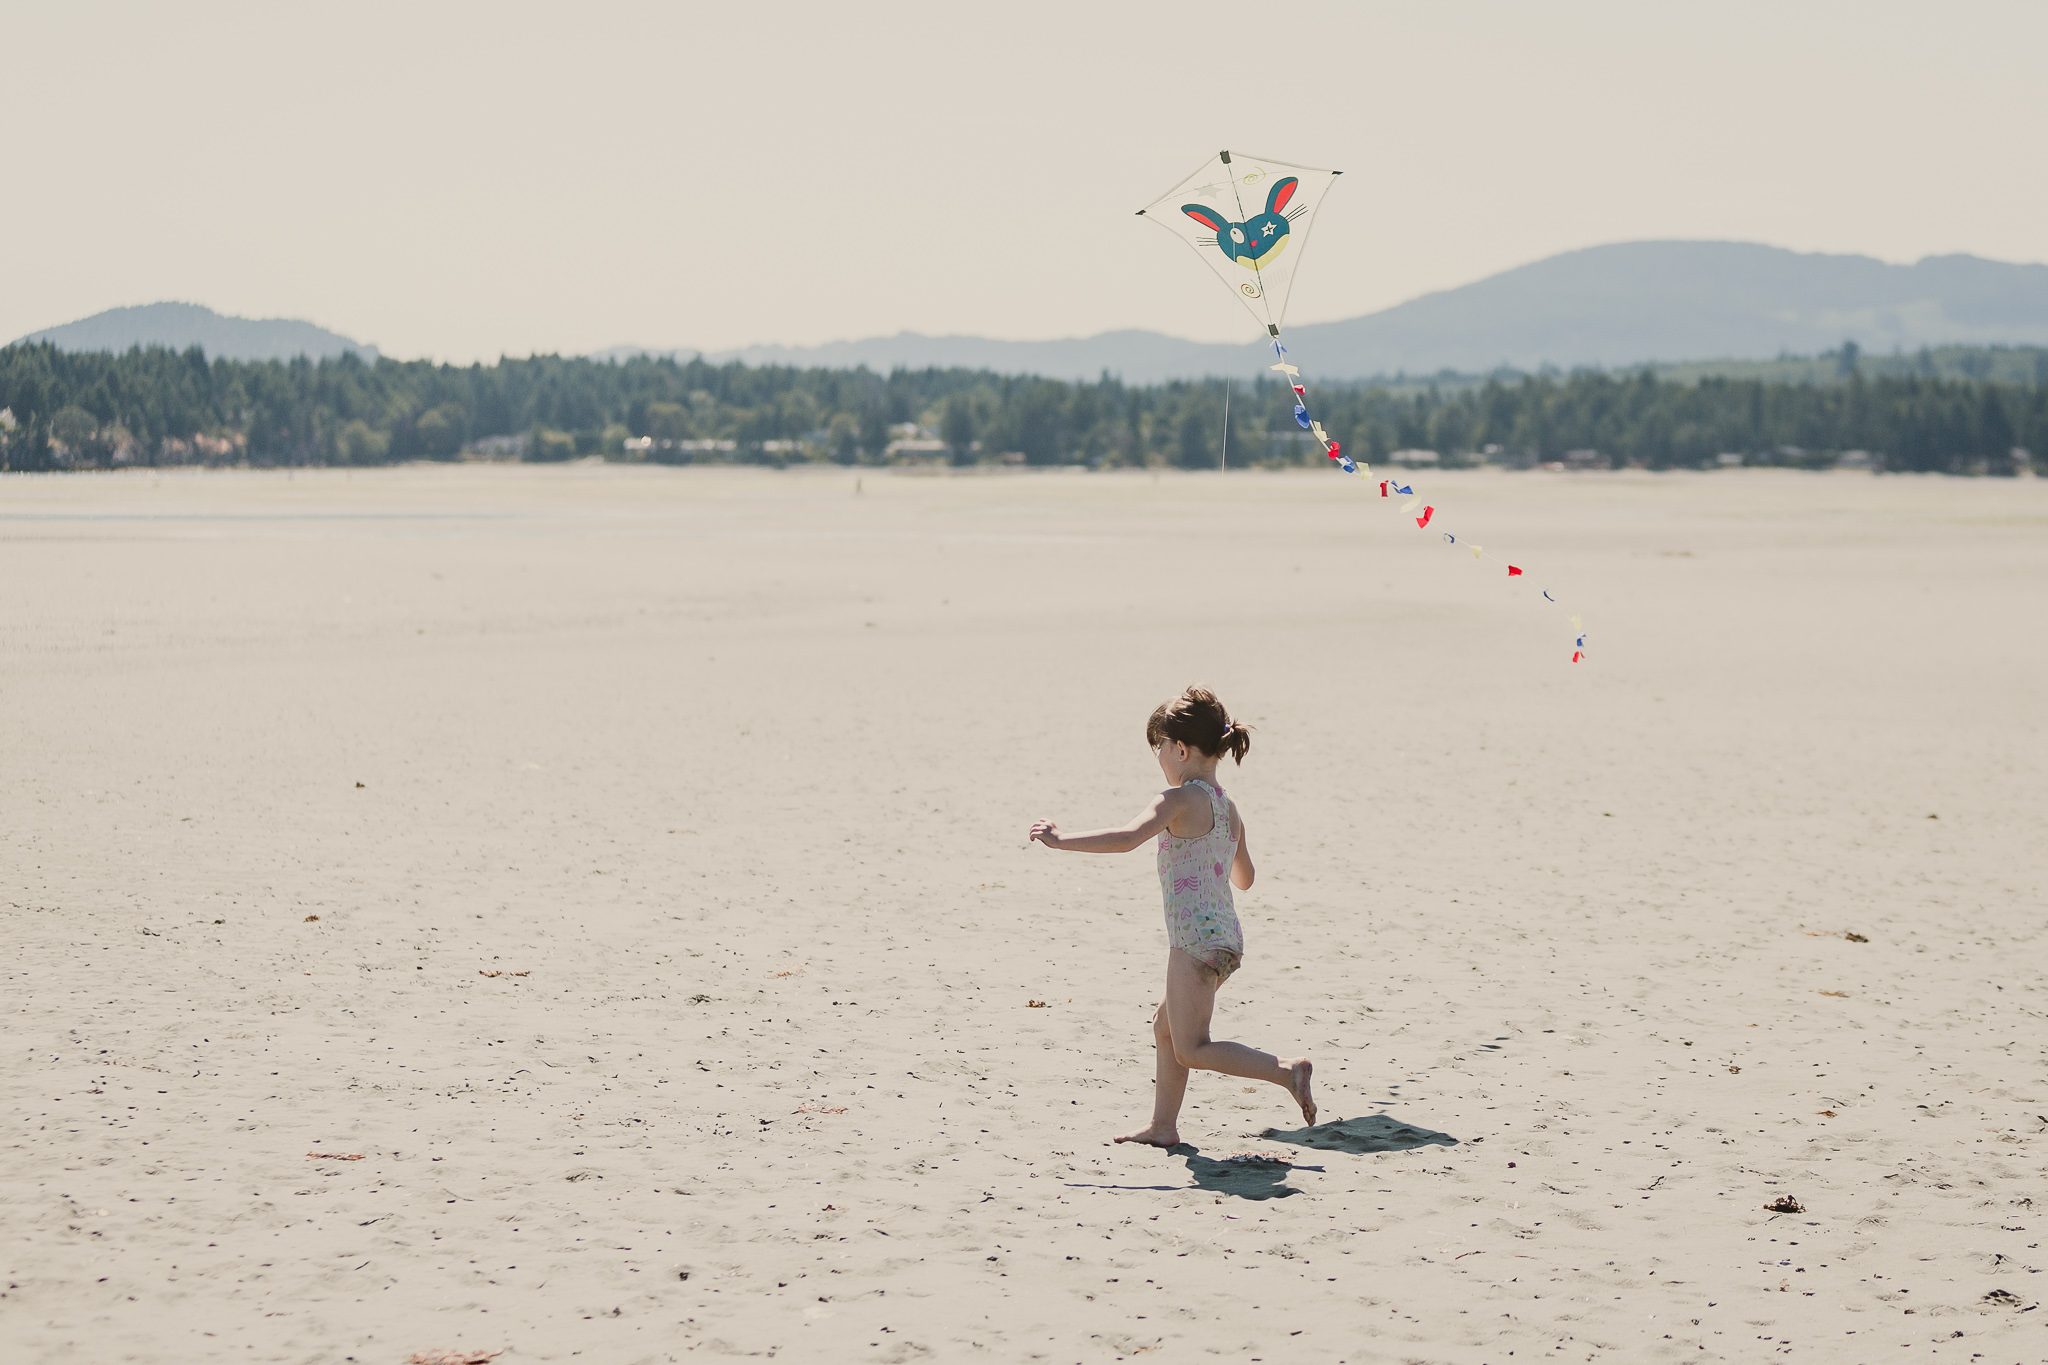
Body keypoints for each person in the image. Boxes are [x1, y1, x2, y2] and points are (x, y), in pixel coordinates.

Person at [1029, 686, 1315, 1146]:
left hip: (1193, 944)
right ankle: (1164, 1126)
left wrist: (1062, 840)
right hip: (1226, 940)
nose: (1159, 758)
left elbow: (1126, 837)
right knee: (1166, 1027)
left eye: (1159, 748)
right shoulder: (1228, 808)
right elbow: (1246, 878)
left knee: (1191, 1047)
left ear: (1180, 749)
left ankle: (1285, 1072)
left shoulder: (1177, 801)